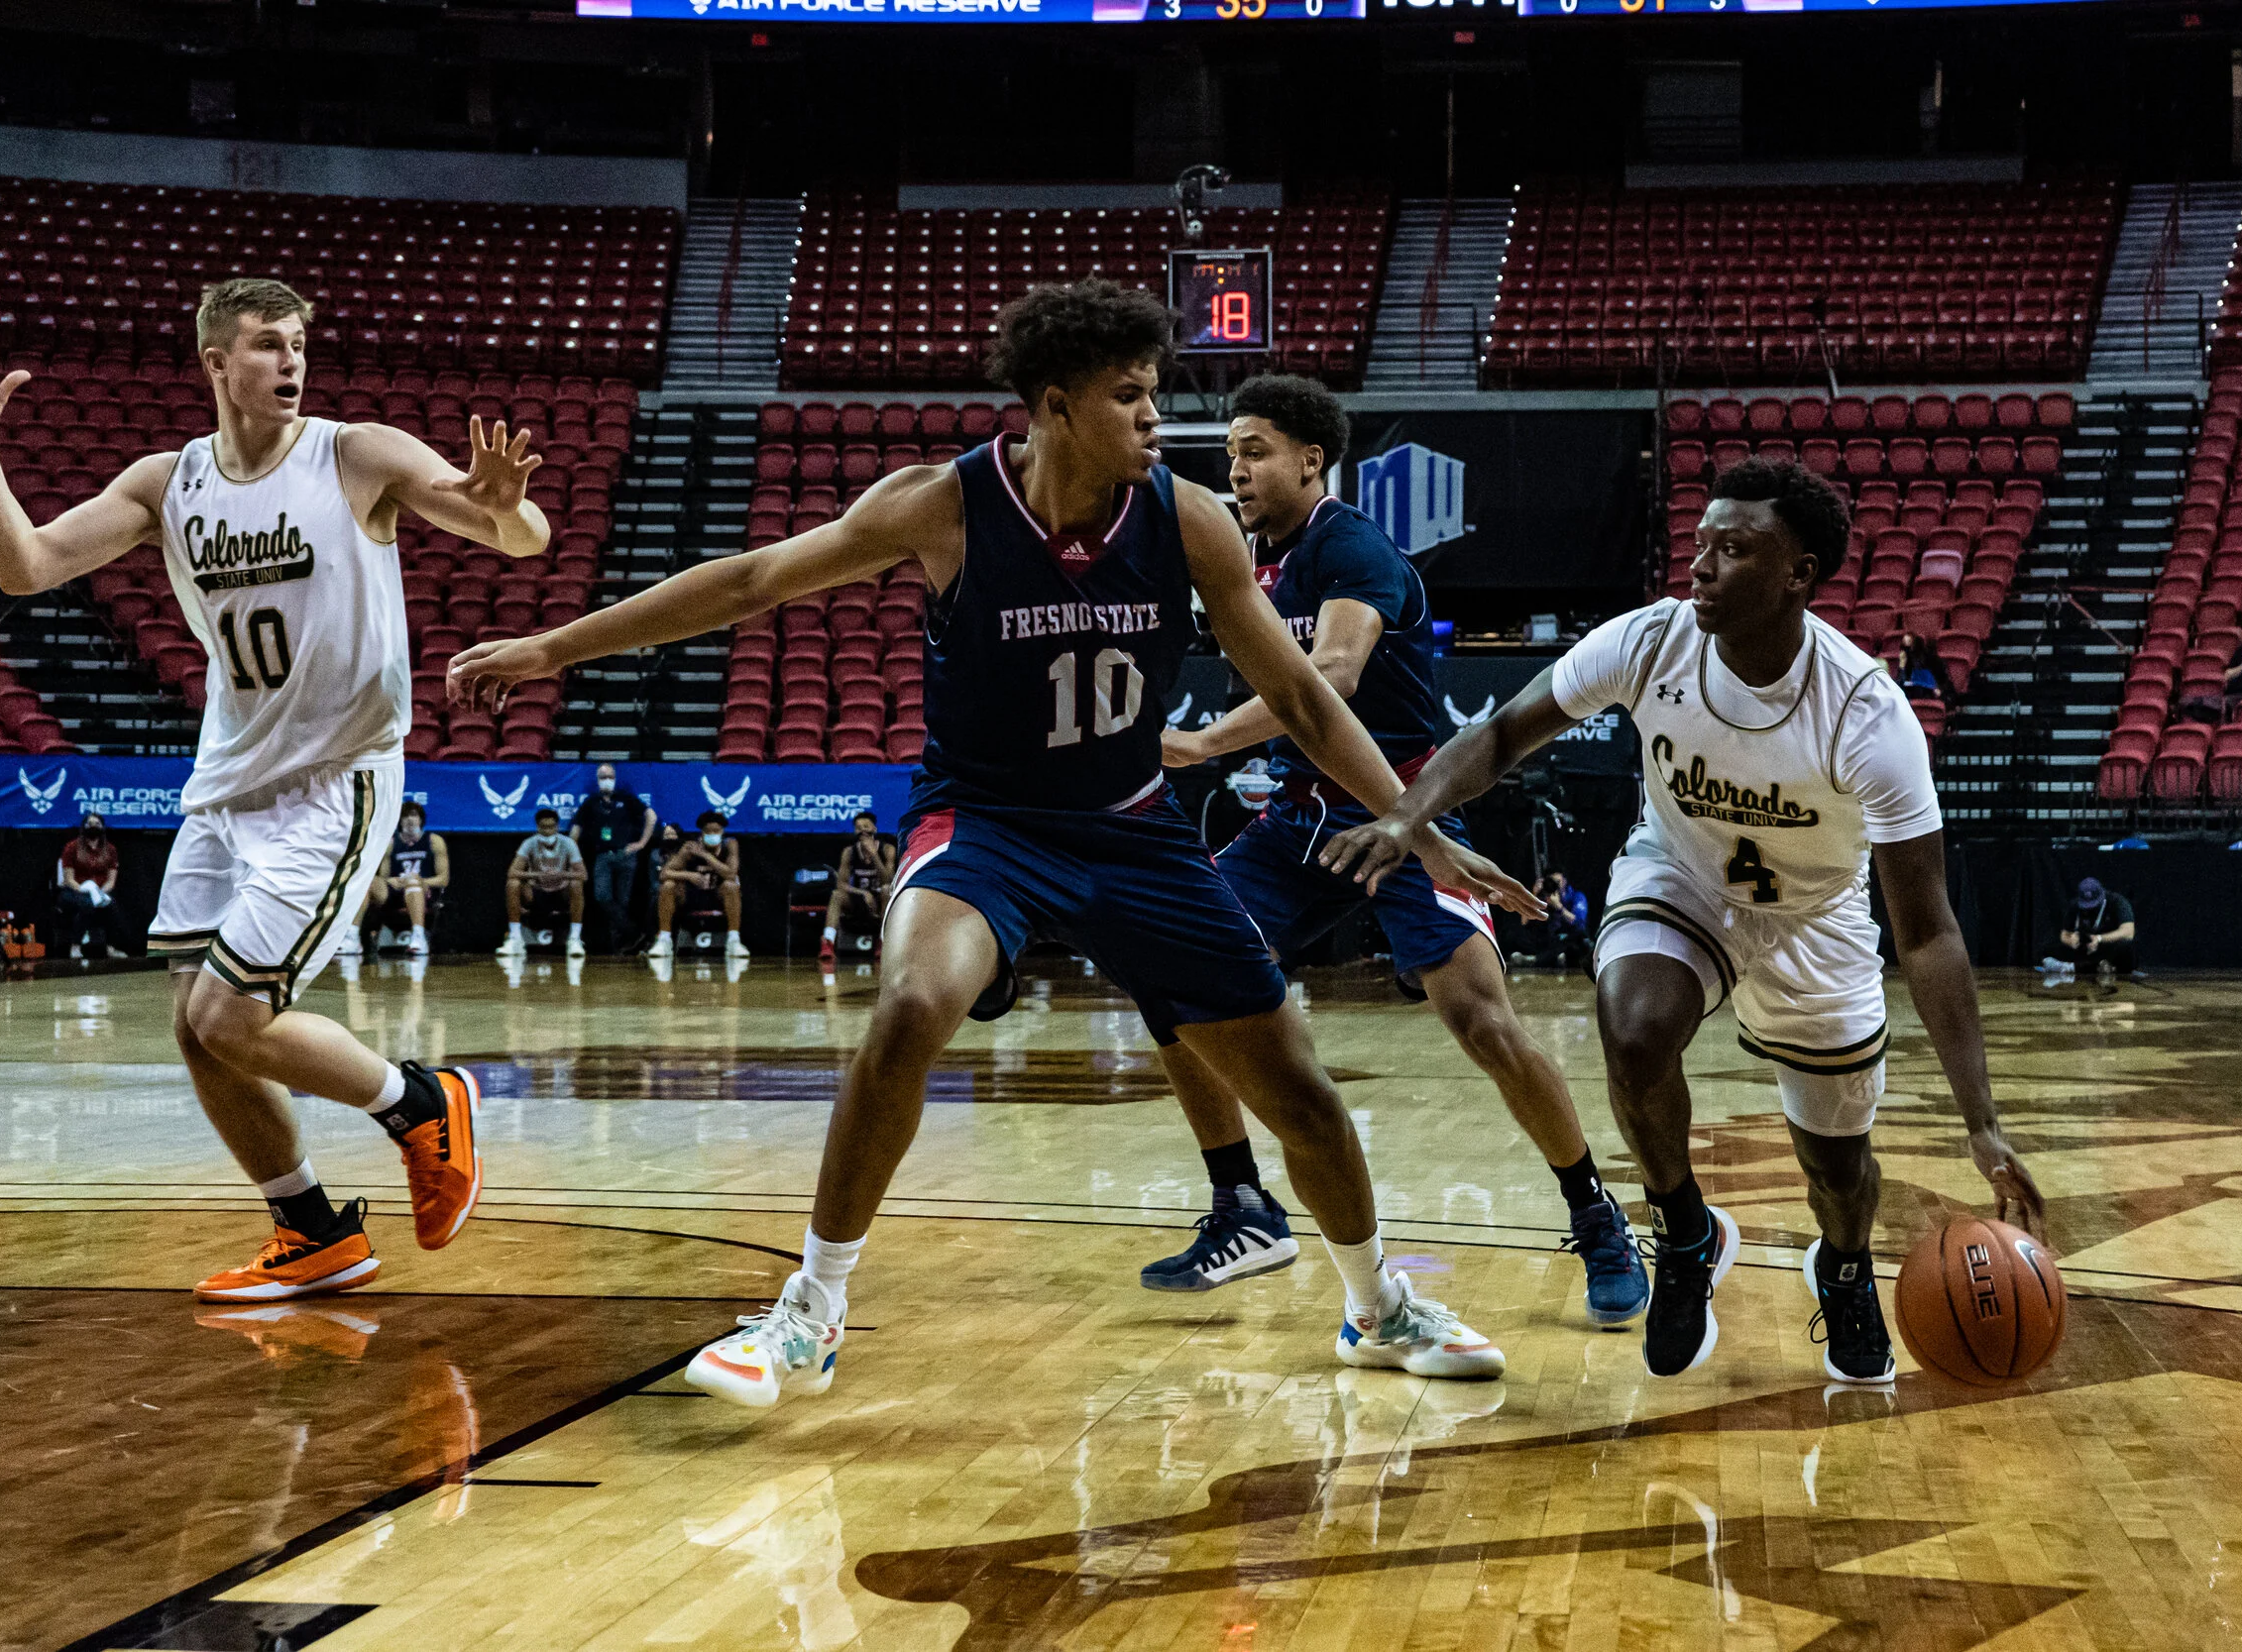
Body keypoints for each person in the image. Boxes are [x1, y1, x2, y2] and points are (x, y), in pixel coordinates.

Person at [453, 278, 1526, 1410]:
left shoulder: (1189, 519)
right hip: (987, 823)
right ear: (1054, 407)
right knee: (916, 1001)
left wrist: (1418, 833)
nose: (1158, 420)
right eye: (1130, 397)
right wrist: (552, 649)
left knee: (1301, 1095)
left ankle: (1376, 1305)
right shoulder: (942, 505)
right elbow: (752, 581)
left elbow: (1305, 699)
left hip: (1131, 831)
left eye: (1156, 394)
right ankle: (810, 1309)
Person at [1324, 458, 2046, 1387]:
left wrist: (1981, 1123)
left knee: (1836, 1167)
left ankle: (1847, 1265)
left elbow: (1929, 933)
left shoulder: (1868, 715)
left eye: (1735, 549)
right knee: (1633, 1026)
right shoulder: (1652, 640)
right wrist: (1406, 813)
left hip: (1815, 918)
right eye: (1699, 543)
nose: (1700, 565)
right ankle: (1684, 1230)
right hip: (1683, 876)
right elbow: (1502, 733)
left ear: (1800, 573)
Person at [0, 288, 534, 1300]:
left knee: (235, 1015)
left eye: (300, 345)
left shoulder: (355, 453)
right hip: (227, 783)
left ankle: (419, 1100)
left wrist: (498, 500)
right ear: (214, 361)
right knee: (196, 1024)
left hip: (337, 780)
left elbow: (523, 535)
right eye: (268, 345)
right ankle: (312, 1227)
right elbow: (23, 566)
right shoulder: (169, 484)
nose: (291, 362)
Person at [1143, 373, 1642, 1318]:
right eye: (1230, 453)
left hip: (1405, 812)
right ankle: (1241, 1201)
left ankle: (1596, 1211)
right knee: (1170, 967)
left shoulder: (1352, 545)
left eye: (1254, 450)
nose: (1236, 469)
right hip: (1302, 817)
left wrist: (1204, 740)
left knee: (1482, 1023)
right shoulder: (1254, 561)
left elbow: (1330, 672)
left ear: (1310, 459)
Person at [571, 762, 654, 952]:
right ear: (597, 780)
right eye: (602, 777)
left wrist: (641, 843)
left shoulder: (626, 799)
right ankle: (633, 932)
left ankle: (619, 945)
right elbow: (576, 829)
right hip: (602, 855)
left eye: (609, 777)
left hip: (625, 854)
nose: (606, 780)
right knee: (602, 896)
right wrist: (572, 852)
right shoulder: (591, 802)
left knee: (623, 901)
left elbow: (651, 816)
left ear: (615, 779)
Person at [357, 800, 448, 957]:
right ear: (399, 821)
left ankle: (418, 937)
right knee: (369, 882)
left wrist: (421, 881)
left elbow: (443, 879)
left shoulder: (434, 841)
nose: (410, 819)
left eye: (414, 815)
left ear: (421, 819)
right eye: (405, 816)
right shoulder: (391, 843)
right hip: (397, 893)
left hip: (424, 892)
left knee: (412, 882)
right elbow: (385, 878)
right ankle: (352, 937)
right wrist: (389, 881)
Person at [649, 812, 746, 957]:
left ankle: (734, 941)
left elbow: (731, 874)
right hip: (691, 896)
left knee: (731, 886)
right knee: (668, 885)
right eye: (708, 831)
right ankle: (664, 940)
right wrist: (689, 875)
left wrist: (705, 855)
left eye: (716, 831)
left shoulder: (730, 844)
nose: (712, 834)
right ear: (702, 832)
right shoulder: (690, 847)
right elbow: (664, 874)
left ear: (722, 832)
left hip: (717, 896)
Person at [501, 807, 586, 955]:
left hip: (560, 892)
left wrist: (561, 874)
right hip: (537, 892)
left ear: (557, 827)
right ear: (538, 827)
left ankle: (574, 939)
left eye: (551, 827)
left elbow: (583, 874)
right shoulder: (529, 843)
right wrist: (536, 874)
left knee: (576, 884)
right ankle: (515, 938)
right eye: (544, 827)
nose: (547, 831)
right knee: (513, 883)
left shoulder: (568, 843)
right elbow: (512, 872)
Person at [819, 810, 892, 965]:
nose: (863, 830)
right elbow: (841, 883)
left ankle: (883, 942)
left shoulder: (887, 849)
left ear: (875, 829)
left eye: (866, 826)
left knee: (886, 890)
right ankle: (828, 943)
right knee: (837, 894)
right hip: (859, 901)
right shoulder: (849, 852)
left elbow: (889, 880)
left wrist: (874, 856)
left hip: (880, 903)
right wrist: (863, 893)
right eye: (859, 827)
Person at [2042, 875, 2135, 982]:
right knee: (2048, 948)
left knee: (2127, 947)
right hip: (2085, 948)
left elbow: (2128, 932)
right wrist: (2071, 941)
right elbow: (2064, 934)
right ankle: (2097, 966)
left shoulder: (2118, 902)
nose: (2090, 908)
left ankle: (2076, 967)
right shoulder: (2074, 905)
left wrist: (2100, 938)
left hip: (2108, 947)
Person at [57, 811, 124, 958]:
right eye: (90, 824)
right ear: (83, 827)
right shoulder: (72, 847)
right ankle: (75, 946)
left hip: (100, 891)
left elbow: (111, 880)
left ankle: (111, 948)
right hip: (74, 890)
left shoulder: (110, 850)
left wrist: (99, 893)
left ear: (103, 827)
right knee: (86, 905)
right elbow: (68, 878)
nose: (93, 826)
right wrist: (84, 890)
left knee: (112, 906)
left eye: (97, 824)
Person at [1520, 870, 1589, 970]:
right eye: (1551, 882)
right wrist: (1533, 896)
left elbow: (1578, 922)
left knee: (1576, 940)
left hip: (1570, 938)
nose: (1555, 885)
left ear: (1565, 881)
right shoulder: (1543, 897)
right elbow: (1524, 922)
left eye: (1558, 882)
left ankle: (1534, 959)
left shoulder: (1576, 896)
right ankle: (1555, 957)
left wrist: (1559, 906)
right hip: (1550, 940)